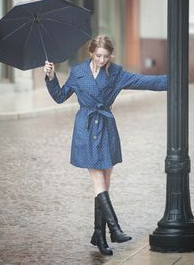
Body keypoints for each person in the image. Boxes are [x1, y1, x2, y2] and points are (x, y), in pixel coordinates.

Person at [44, 35, 167, 256]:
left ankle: (98, 235)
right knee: (98, 181)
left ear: (111, 55)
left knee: (105, 185)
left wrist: (172, 80)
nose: (102, 60)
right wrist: (51, 77)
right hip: (86, 129)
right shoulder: (77, 72)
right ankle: (115, 228)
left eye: (106, 56)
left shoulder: (116, 73)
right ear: (91, 53)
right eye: (98, 55)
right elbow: (60, 96)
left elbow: (143, 81)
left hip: (107, 130)